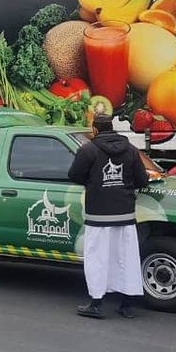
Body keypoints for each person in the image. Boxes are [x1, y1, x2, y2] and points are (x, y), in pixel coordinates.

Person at [67, 113, 149, 319]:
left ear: (95, 129)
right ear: (111, 127)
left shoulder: (88, 150)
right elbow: (142, 179)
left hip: (99, 215)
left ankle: (96, 303)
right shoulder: (130, 149)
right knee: (126, 258)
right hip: (125, 214)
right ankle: (127, 305)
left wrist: (94, 182)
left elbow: (74, 175)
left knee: (97, 259)